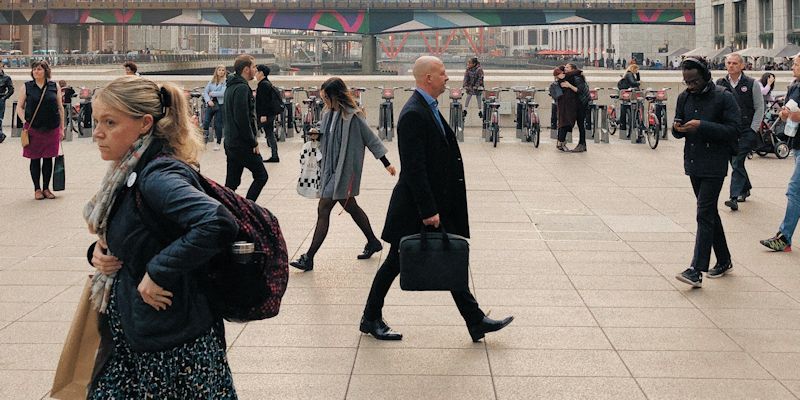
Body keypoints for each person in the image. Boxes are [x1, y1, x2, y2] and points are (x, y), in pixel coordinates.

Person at [84, 76, 237, 398]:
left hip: (171, 346)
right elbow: (139, 234)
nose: (97, 132)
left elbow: (217, 222)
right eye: (97, 120)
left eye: (110, 122)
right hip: (139, 335)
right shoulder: (128, 171)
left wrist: (158, 271)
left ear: (145, 124)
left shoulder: (158, 175)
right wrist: (97, 252)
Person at [360, 56, 513, 342]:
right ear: (427, 78)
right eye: (442, 74)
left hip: (430, 203)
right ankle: (370, 317)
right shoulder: (413, 113)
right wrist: (429, 210)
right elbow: (414, 168)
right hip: (417, 207)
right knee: (396, 261)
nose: (447, 78)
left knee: (447, 257)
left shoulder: (427, 107)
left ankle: (475, 320)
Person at [289, 77, 397, 271]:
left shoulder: (353, 117)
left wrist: (386, 163)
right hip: (330, 169)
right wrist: (316, 133)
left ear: (335, 96)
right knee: (351, 207)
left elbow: (371, 140)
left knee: (324, 209)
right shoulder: (329, 113)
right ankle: (373, 241)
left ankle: (309, 257)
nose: (325, 102)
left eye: (326, 98)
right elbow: (325, 132)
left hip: (345, 172)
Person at [673, 57, 740, 287]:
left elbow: (733, 130)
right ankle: (724, 259)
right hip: (693, 162)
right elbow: (678, 129)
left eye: (694, 81)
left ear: (705, 77)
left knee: (703, 213)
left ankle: (696, 269)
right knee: (709, 212)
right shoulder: (684, 97)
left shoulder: (723, 97)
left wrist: (702, 125)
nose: (690, 86)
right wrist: (678, 128)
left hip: (714, 164)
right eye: (686, 82)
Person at [760, 56, 800, 252]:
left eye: (796, 64)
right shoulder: (794, 85)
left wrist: (794, 114)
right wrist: (785, 113)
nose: (793, 67)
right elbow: (788, 108)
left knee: (794, 191)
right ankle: (785, 238)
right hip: (797, 143)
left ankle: (785, 237)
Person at [716, 53, 764, 212]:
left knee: (737, 161)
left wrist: (753, 129)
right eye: (729, 63)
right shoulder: (720, 83)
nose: (731, 66)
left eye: (735, 63)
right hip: (728, 131)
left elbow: (759, 108)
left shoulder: (752, 84)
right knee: (736, 162)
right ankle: (745, 188)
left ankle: (733, 197)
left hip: (745, 131)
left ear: (742, 66)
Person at [16, 60, 64, 200]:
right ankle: (37, 189)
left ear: (45, 71)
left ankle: (46, 188)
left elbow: (60, 107)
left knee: (49, 158)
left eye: (39, 69)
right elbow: (19, 106)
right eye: (34, 69)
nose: (36, 72)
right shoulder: (27, 87)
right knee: (35, 159)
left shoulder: (54, 86)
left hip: (51, 127)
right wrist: (24, 120)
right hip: (33, 128)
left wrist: (62, 127)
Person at [223, 54, 268, 202]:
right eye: (254, 67)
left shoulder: (230, 86)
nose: (256, 70)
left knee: (231, 183)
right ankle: (247, 208)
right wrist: (253, 142)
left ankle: (226, 210)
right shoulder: (242, 88)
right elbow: (243, 119)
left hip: (231, 142)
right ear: (246, 69)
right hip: (242, 143)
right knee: (261, 175)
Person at [255, 64, 281, 163]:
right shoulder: (267, 83)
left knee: (268, 134)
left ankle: (274, 155)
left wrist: (263, 115)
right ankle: (274, 155)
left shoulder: (263, 84)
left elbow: (265, 102)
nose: (255, 74)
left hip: (265, 114)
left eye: (257, 72)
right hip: (269, 114)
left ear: (261, 73)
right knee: (269, 134)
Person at [564, 63, 590, 152]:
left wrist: (569, 85)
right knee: (580, 124)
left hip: (582, 103)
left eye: (567, 67)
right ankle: (582, 144)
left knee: (581, 124)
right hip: (580, 103)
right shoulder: (575, 76)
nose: (565, 68)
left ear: (572, 69)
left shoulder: (577, 77)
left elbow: (579, 90)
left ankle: (582, 144)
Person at [553, 66, 578, 152]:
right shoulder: (562, 81)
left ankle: (561, 142)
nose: (563, 74)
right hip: (564, 105)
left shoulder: (566, 78)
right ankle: (561, 143)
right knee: (563, 123)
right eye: (561, 73)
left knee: (565, 123)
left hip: (568, 105)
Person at [203, 65, 227, 150]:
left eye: (223, 70)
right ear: (216, 71)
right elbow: (205, 92)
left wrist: (212, 93)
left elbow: (223, 93)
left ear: (225, 72)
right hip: (211, 104)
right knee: (205, 122)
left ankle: (218, 142)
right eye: (219, 70)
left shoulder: (225, 82)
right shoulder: (211, 81)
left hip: (220, 105)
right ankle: (204, 141)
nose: (221, 71)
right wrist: (208, 101)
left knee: (218, 124)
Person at [618, 64, 641, 132]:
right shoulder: (629, 74)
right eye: (636, 69)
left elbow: (636, 80)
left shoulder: (628, 74)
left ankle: (622, 121)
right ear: (633, 69)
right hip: (628, 93)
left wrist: (638, 75)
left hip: (627, 92)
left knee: (626, 107)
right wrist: (639, 83)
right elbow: (633, 82)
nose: (637, 71)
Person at [0, 60, 13, 143]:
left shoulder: (6, 78)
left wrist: (4, 98)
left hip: (0, 99)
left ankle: (1, 135)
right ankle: (1, 135)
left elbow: (11, 90)